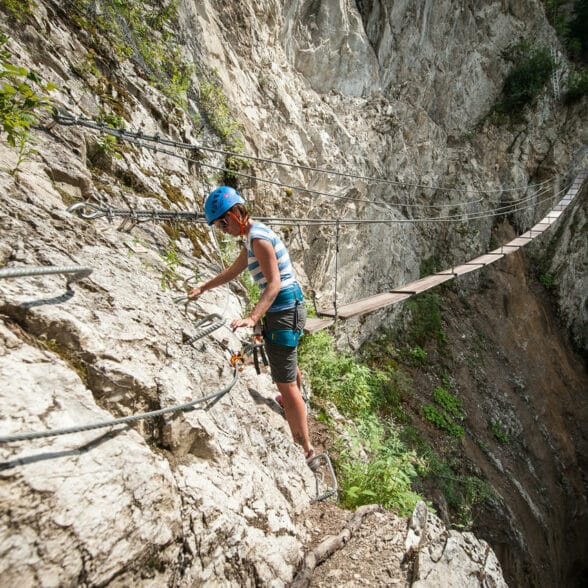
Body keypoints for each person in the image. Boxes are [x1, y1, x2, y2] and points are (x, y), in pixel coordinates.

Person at [189, 186, 315, 465]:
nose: (222, 230)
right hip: (287, 310)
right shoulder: (252, 237)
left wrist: (252, 317)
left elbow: (274, 283)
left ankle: (305, 446)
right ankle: (294, 400)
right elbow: (234, 271)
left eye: (222, 223)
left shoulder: (257, 239)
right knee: (287, 364)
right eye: (218, 226)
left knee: (284, 382)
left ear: (234, 214)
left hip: (283, 311)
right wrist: (204, 287)